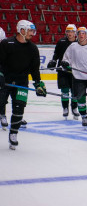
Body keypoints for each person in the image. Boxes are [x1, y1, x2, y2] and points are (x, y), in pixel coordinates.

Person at [0, 20, 47, 150]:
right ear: (22, 30)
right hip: (5, 81)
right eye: (30, 30)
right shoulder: (6, 44)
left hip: (21, 83)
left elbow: (35, 70)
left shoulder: (32, 48)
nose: (33, 33)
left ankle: (13, 134)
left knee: (19, 108)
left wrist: (39, 84)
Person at [61, 27, 87, 128]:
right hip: (78, 78)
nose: (81, 35)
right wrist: (65, 63)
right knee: (80, 99)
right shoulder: (72, 46)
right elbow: (66, 58)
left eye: (83, 33)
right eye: (79, 33)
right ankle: (84, 116)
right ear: (77, 35)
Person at [47, 24, 80, 120]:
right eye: (68, 32)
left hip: (75, 71)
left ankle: (74, 108)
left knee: (75, 92)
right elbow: (56, 53)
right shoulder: (61, 42)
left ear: (75, 33)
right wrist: (53, 61)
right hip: (62, 70)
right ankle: (65, 108)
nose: (70, 34)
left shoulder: (79, 43)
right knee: (64, 90)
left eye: (72, 32)